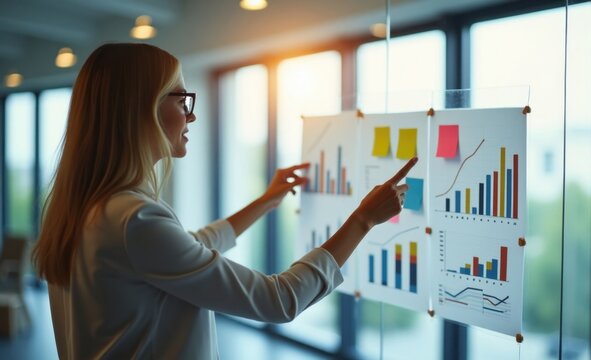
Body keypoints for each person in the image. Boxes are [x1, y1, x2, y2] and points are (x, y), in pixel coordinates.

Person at [32, 43, 417, 359]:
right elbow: (277, 300)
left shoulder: (88, 209)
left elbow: (187, 249)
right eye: (182, 99)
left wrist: (265, 202)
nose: (192, 115)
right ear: (140, 107)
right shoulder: (134, 219)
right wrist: (363, 220)